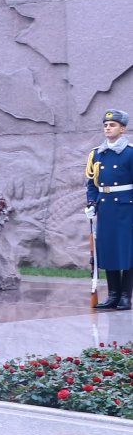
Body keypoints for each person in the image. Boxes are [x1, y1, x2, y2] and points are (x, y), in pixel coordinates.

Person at [88, 109, 133, 311]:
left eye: (113, 125)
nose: (108, 128)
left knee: (127, 252)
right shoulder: (97, 153)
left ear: (122, 129)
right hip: (105, 207)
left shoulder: (130, 153)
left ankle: (125, 296)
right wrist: (91, 203)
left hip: (126, 208)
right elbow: (91, 183)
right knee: (108, 251)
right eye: (106, 125)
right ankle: (113, 295)